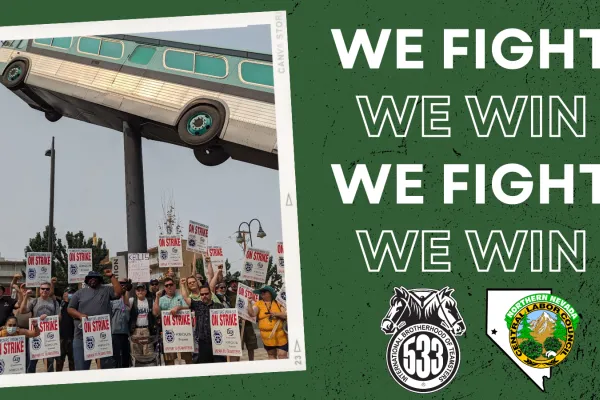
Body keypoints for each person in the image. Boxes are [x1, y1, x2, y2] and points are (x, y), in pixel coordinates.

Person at [68, 269, 122, 370]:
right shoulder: (79, 293)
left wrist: (112, 276)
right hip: (81, 336)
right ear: (87, 280)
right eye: (90, 278)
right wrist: (79, 315)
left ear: (100, 280)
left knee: (106, 369)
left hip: (102, 337)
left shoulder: (106, 290)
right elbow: (70, 309)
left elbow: (118, 293)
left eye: (96, 278)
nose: (93, 280)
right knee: (81, 370)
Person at [19, 281, 61, 373]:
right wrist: (25, 296)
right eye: (43, 288)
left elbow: (59, 317)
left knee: (49, 363)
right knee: (32, 361)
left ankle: (49, 383)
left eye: (47, 289)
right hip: (35, 334)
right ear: (40, 290)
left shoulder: (54, 302)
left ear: (50, 290)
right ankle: (30, 382)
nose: (45, 290)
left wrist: (47, 318)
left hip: (49, 336)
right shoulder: (35, 301)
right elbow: (22, 311)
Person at [180, 280, 225, 363]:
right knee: (206, 368)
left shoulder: (219, 306)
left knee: (220, 368)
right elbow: (185, 298)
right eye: (202, 294)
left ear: (211, 294)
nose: (204, 296)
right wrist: (182, 285)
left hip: (219, 342)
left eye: (206, 294)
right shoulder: (197, 305)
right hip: (204, 343)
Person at [152, 277, 191, 365]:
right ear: (164, 288)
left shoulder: (180, 297)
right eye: (167, 285)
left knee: (187, 358)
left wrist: (179, 307)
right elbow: (155, 312)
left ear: (174, 286)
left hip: (183, 333)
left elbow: (188, 307)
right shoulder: (161, 299)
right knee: (169, 360)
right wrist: (157, 297)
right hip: (168, 334)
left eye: (171, 284)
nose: (169, 287)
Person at [248, 285, 288, 360]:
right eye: (261, 292)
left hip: (280, 335)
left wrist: (276, 314)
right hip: (267, 337)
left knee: (282, 355)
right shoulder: (258, 304)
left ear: (270, 293)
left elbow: (286, 315)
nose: (262, 293)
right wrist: (249, 303)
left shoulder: (278, 303)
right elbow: (252, 313)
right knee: (271, 355)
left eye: (264, 291)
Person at [225, 278, 258, 361]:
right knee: (237, 347)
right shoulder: (227, 295)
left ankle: (252, 362)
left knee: (251, 345)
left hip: (247, 322)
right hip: (235, 325)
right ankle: (237, 363)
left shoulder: (244, 293)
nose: (234, 284)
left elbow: (253, 296)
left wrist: (252, 282)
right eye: (232, 283)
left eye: (235, 282)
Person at [129, 283, 155, 359]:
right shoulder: (131, 300)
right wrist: (126, 290)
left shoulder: (150, 301)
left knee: (148, 354)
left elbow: (155, 313)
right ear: (135, 292)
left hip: (147, 330)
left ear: (145, 291)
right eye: (138, 290)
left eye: (142, 290)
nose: (140, 292)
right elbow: (125, 304)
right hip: (135, 331)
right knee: (136, 355)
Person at [111, 279, 131, 368]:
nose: (122, 286)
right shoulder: (111, 300)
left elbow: (127, 307)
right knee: (116, 357)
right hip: (114, 332)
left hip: (125, 333)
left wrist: (126, 291)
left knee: (125, 358)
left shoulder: (129, 299)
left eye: (124, 285)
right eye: (120, 284)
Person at [57, 288, 76, 371]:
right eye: (67, 292)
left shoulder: (76, 304)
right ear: (64, 294)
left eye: (71, 292)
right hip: (61, 337)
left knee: (73, 361)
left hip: (73, 337)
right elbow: (51, 294)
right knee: (59, 361)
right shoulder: (59, 303)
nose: (69, 294)